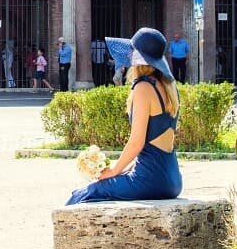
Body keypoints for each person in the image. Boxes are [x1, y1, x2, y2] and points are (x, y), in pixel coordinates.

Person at [67, 27, 182, 205]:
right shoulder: (168, 86)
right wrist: (120, 170)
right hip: (172, 179)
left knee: (82, 195)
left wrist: (113, 171)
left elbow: (137, 142)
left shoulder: (143, 88)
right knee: (97, 189)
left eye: (131, 52)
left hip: (149, 180)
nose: (128, 56)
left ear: (137, 58)